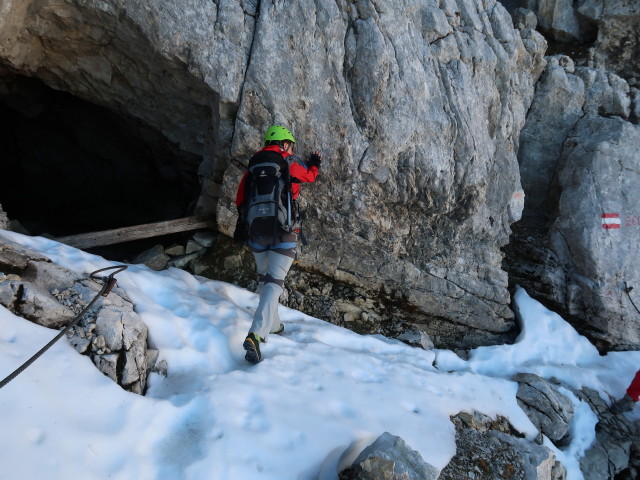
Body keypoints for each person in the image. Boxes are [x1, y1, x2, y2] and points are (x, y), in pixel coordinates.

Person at [235, 125, 321, 363]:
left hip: (256, 234)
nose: (291, 148)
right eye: (290, 144)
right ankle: (256, 334)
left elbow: (240, 199)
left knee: (266, 281)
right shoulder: (288, 161)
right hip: (284, 232)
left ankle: (273, 325)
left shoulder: (253, 166)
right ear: (284, 144)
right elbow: (309, 177)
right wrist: (314, 164)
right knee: (274, 282)